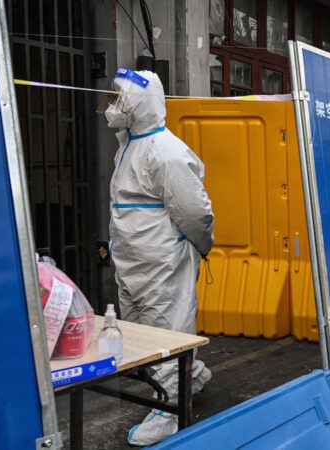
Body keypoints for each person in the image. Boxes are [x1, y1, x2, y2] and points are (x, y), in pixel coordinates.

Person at [103, 68, 214, 446]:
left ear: (141, 103)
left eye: (121, 97)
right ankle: (191, 374)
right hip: (133, 263)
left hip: (163, 265)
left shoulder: (166, 153)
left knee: (167, 331)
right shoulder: (128, 145)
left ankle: (170, 412)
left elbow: (196, 214)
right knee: (143, 336)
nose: (114, 105)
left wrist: (201, 245)